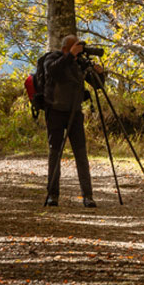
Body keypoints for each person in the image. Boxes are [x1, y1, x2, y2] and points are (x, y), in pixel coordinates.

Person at [43, 34, 102, 208]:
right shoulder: (52, 58)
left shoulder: (79, 64)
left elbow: (98, 86)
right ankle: (53, 195)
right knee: (55, 153)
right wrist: (70, 56)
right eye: (75, 46)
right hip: (55, 112)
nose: (79, 49)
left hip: (75, 113)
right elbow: (53, 70)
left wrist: (100, 73)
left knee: (81, 154)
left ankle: (88, 195)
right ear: (65, 49)